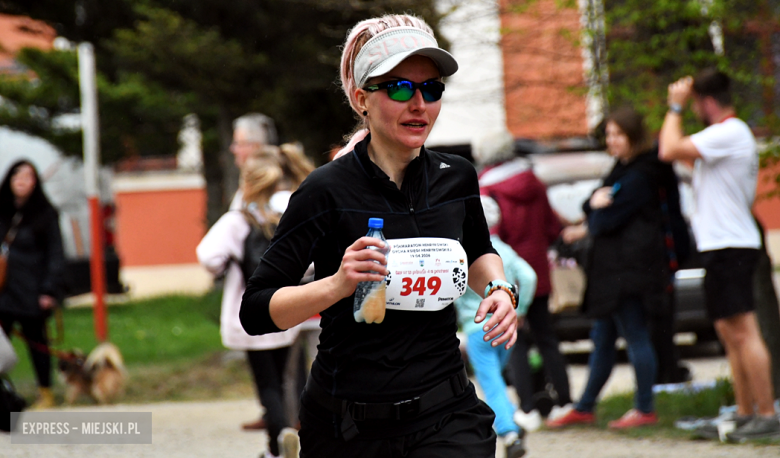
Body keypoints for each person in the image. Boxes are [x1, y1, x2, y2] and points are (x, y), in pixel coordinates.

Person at [240, 14, 519, 458]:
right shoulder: (325, 190)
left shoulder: (457, 177)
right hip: (348, 427)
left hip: (446, 414)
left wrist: (501, 289)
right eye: (401, 88)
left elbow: (478, 249)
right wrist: (337, 284)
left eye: (431, 89)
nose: (419, 105)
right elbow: (255, 311)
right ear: (361, 98)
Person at [659, 68, 779, 441]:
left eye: (694, 102)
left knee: (744, 330)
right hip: (718, 245)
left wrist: (674, 108)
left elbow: (667, 148)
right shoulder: (718, 139)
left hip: (732, 245)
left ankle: (768, 413)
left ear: (706, 102)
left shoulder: (731, 131)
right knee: (729, 332)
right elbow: (682, 157)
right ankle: (745, 414)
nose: (691, 108)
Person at [550, 107, 665, 430]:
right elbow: (593, 206)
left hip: (628, 273)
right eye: (609, 134)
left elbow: (605, 220)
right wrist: (592, 205)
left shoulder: (641, 175)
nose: (611, 141)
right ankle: (585, 407)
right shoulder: (622, 169)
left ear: (633, 136)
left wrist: (593, 209)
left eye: (618, 135)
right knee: (602, 337)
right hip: (609, 273)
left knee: (636, 335)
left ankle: (645, 408)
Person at [197, 153, 303, 458]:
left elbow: (208, 256)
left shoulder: (237, 221)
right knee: (284, 378)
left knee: (266, 382)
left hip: (250, 312)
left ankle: (276, 445)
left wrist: (226, 265)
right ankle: (289, 430)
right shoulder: (286, 215)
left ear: (246, 185)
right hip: (283, 308)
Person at [474, 129, 572, 430]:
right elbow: (552, 227)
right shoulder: (535, 182)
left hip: (506, 272)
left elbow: (486, 237)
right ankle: (564, 404)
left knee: (513, 341)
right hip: (539, 271)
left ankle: (527, 408)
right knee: (547, 339)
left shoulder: (486, 188)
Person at [454, 196, 536, 457]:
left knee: (490, 382)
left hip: (477, 327)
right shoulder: (505, 251)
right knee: (496, 379)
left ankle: (509, 434)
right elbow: (529, 276)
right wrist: (519, 310)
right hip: (506, 324)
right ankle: (513, 417)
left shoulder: (462, 252)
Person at [0, 160, 65, 410]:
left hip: (32, 291)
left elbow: (56, 254)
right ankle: (4, 394)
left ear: (35, 182)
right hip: (4, 291)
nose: (22, 180)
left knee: (38, 344)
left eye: (28, 176)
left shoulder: (45, 214)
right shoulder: (2, 212)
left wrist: (49, 289)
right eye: (17, 174)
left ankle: (45, 392)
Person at [229, 113, 279, 210]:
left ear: (256, 146)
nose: (233, 149)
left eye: (238, 143)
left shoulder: (265, 186)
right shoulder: (250, 184)